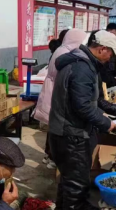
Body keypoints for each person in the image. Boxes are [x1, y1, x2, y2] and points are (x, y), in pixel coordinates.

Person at [49, 30, 116, 210]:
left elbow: (96, 100)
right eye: (111, 54)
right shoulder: (82, 67)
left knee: (69, 179)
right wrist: (107, 123)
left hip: (67, 131)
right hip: (71, 133)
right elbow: (82, 106)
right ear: (102, 49)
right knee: (77, 183)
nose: (111, 59)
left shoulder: (85, 64)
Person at [35, 29, 84, 169]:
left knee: (52, 126)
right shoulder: (65, 53)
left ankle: (48, 155)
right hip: (55, 92)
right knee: (56, 129)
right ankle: (52, 158)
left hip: (52, 90)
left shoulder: (61, 50)